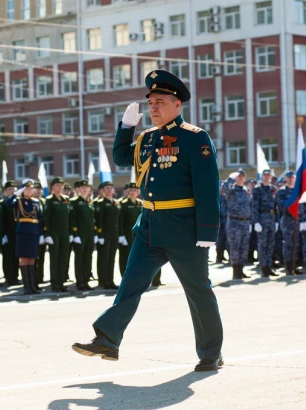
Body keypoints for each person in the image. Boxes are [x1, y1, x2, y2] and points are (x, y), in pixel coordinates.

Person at [72, 69, 223, 372]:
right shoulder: (147, 138)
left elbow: (208, 186)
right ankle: (108, 339)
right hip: (150, 226)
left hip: (184, 227)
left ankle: (210, 353)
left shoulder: (195, 138)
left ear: (177, 105)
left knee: (198, 290)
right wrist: (126, 128)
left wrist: (207, 231)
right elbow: (123, 159)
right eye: (151, 102)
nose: (153, 107)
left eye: (160, 101)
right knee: (130, 285)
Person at [4, 179, 43, 294]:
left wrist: (40, 234)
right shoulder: (18, 201)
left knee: (32, 258)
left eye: (31, 188)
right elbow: (7, 204)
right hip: (23, 232)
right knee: (24, 258)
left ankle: (32, 286)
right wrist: (16, 194)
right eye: (27, 188)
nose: (30, 190)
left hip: (34, 232)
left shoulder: (36, 202)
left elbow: (40, 219)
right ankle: (26, 287)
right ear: (22, 189)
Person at [43, 177, 71, 292]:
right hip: (53, 233)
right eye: (57, 185)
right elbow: (46, 218)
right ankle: (55, 284)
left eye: (61, 185)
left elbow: (70, 217)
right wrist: (47, 233)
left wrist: (71, 232)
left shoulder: (66, 199)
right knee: (54, 259)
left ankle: (61, 283)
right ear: (52, 187)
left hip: (65, 233)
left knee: (63, 258)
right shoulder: (49, 200)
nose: (59, 187)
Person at [225, 170, 252, 279]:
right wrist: (230, 177)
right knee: (235, 247)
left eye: (242, 176)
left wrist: (251, 221)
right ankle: (236, 272)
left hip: (245, 222)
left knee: (244, 247)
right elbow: (224, 187)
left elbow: (251, 206)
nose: (240, 178)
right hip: (234, 222)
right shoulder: (231, 189)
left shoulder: (246, 190)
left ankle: (241, 270)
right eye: (238, 176)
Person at [69, 179, 95, 291]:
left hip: (89, 234)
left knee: (88, 258)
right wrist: (74, 234)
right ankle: (80, 282)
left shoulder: (89, 202)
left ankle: (86, 281)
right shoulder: (74, 201)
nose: (84, 189)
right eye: (82, 187)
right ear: (77, 189)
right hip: (79, 235)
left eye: (86, 187)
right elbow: (72, 218)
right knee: (79, 259)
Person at [252, 169, 279, 277]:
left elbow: (276, 206)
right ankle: (263, 268)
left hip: (272, 218)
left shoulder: (273, 189)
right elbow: (254, 206)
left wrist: (276, 221)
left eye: (269, 175)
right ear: (262, 176)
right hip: (262, 218)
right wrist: (256, 222)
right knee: (262, 245)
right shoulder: (257, 189)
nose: (267, 177)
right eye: (265, 175)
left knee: (270, 244)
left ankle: (269, 266)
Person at [94, 181, 120, 290]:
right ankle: (104, 281)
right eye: (107, 188)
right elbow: (98, 220)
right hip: (104, 235)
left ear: (113, 190)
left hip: (114, 235)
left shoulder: (116, 203)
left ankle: (111, 280)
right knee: (104, 259)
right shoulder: (100, 203)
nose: (109, 190)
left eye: (111, 188)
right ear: (103, 191)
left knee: (112, 259)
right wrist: (99, 235)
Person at [277, 171, 301, 275]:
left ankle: (294, 266)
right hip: (287, 219)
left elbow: (303, 206)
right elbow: (282, 206)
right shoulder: (282, 191)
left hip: (297, 219)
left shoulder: (298, 191)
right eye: (289, 177)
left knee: (296, 244)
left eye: (293, 177)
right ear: (286, 179)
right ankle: (288, 268)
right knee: (288, 244)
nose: (291, 179)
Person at [118, 182, 143, 277]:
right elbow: (120, 220)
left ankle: (136, 277)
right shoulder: (123, 204)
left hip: (138, 235)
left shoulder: (140, 203)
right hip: (126, 234)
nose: (133, 192)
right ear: (128, 192)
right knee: (125, 257)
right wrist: (121, 235)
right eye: (131, 190)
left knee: (137, 257)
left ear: (138, 192)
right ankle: (124, 277)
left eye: (135, 190)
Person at [1, 181, 19, 286]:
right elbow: (2, 220)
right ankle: (9, 277)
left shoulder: (17, 202)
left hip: (17, 233)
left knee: (16, 256)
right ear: (5, 192)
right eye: (9, 189)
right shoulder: (4, 203)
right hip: (8, 233)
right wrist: (3, 234)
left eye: (13, 189)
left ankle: (15, 277)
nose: (12, 191)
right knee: (8, 256)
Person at [32, 182, 47, 286]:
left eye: (40, 189)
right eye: (36, 189)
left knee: (41, 257)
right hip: (34, 233)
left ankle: (40, 277)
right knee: (34, 258)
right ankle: (33, 280)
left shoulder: (44, 201)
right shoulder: (31, 202)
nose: (38, 191)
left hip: (43, 233)